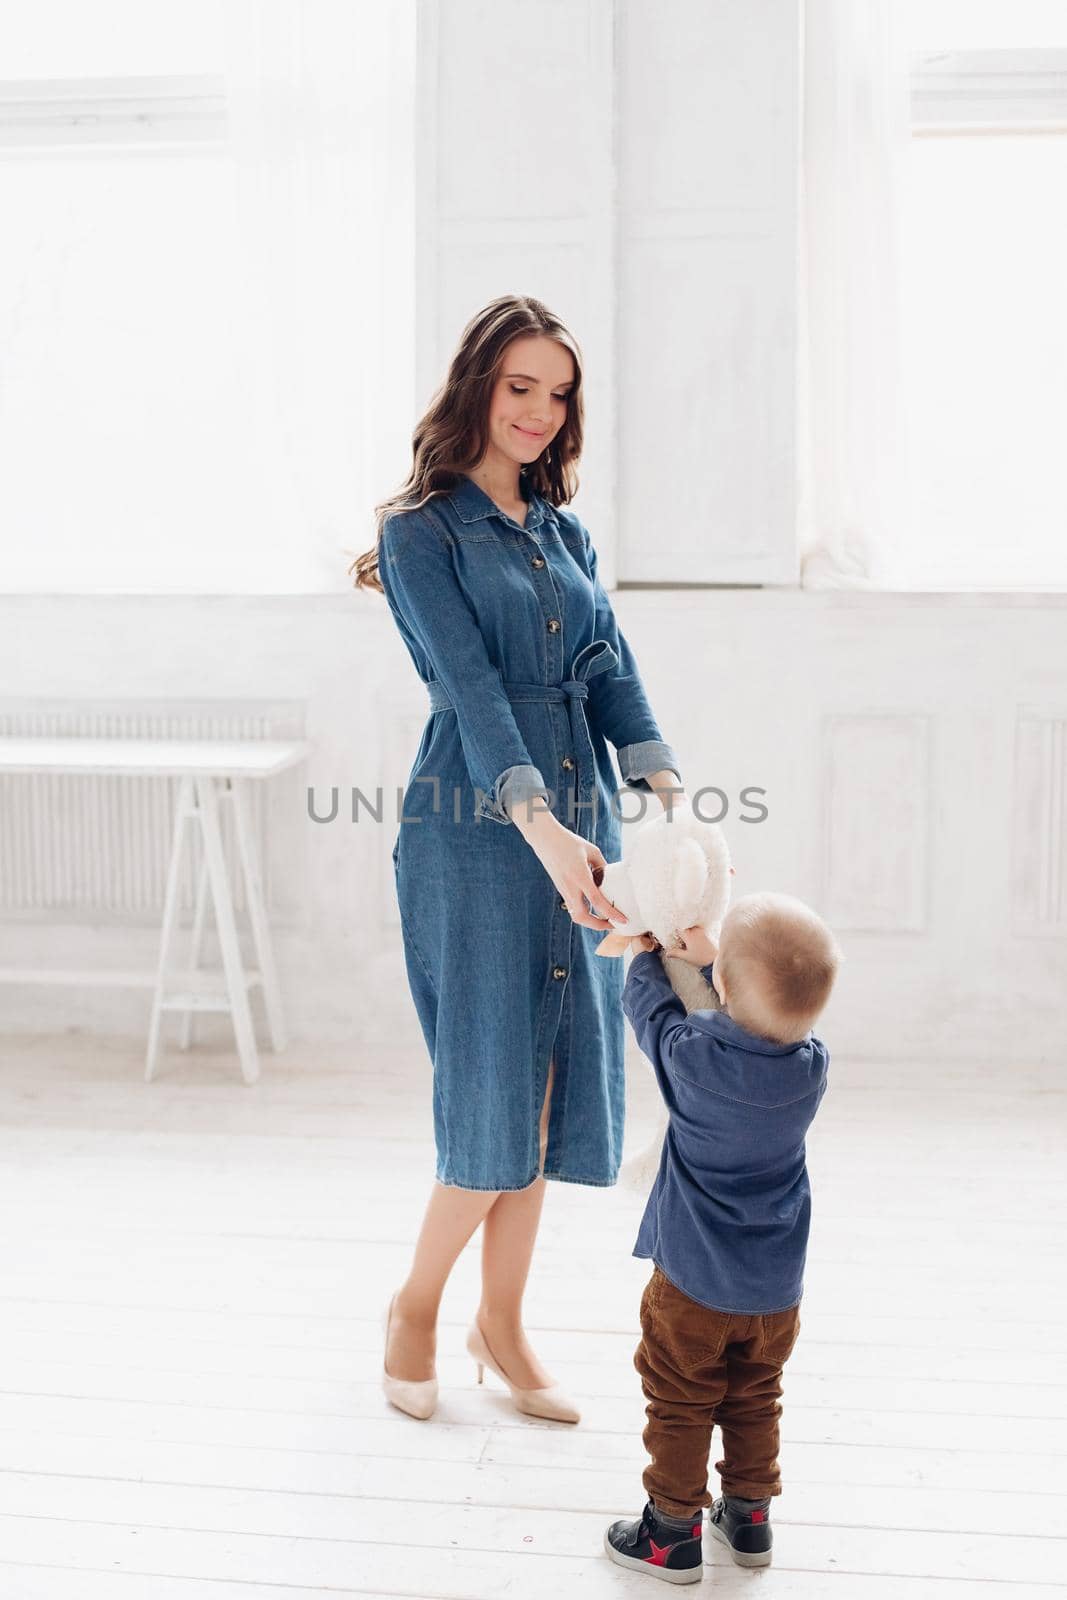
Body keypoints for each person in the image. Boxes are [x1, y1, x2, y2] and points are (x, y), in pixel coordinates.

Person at [349, 294, 686, 1425]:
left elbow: (605, 662)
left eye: (557, 393)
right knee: (492, 1088)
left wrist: (667, 794)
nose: (540, 412)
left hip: (584, 824)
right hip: (478, 830)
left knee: (543, 1090)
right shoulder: (419, 531)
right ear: (477, 388)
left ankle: (502, 1322)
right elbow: (471, 692)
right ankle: (414, 1303)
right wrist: (539, 830)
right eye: (519, 387)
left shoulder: (561, 528)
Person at [604, 894, 841, 1583]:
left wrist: (650, 950)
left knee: (679, 1400)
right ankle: (748, 1516)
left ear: (725, 987)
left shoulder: (691, 1059)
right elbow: (758, 1019)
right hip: (773, 1292)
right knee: (752, 1396)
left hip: (693, 1286)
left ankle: (670, 1533)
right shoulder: (810, 1068)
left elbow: (650, 1012)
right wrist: (722, 965)